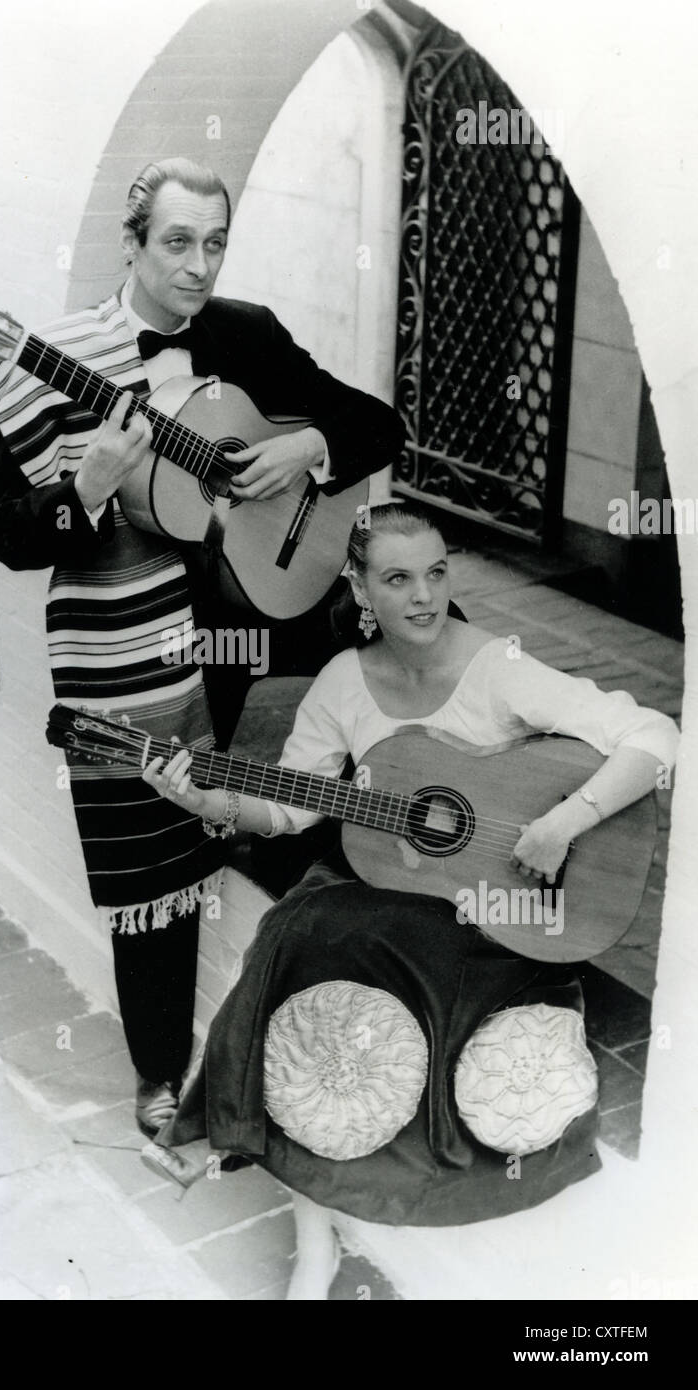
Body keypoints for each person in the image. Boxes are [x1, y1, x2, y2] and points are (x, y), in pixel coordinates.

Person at [141, 501, 679, 1299]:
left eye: (435, 573)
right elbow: (291, 807)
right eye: (397, 579)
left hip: (501, 898)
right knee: (294, 934)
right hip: (398, 880)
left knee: (334, 942)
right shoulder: (340, 683)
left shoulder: (497, 665)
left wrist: (566, 821)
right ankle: (311, 1233)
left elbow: (654, 736)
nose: (423, 596)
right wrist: (206, 805)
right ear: (359, 588)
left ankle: (254, 1154)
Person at [0, 158, 405, 1137]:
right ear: (130, 245)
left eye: (214, 241)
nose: (198, 264)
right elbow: (8, 530)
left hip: (254, 649)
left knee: (311, 840)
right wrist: (86, 490)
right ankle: (161, 1074)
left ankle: (316, 1086)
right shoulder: (59, 359)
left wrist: (305, 448)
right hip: (127, 658)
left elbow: (376, 424)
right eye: (177, 241)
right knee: (150, 882)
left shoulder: (245, 337)